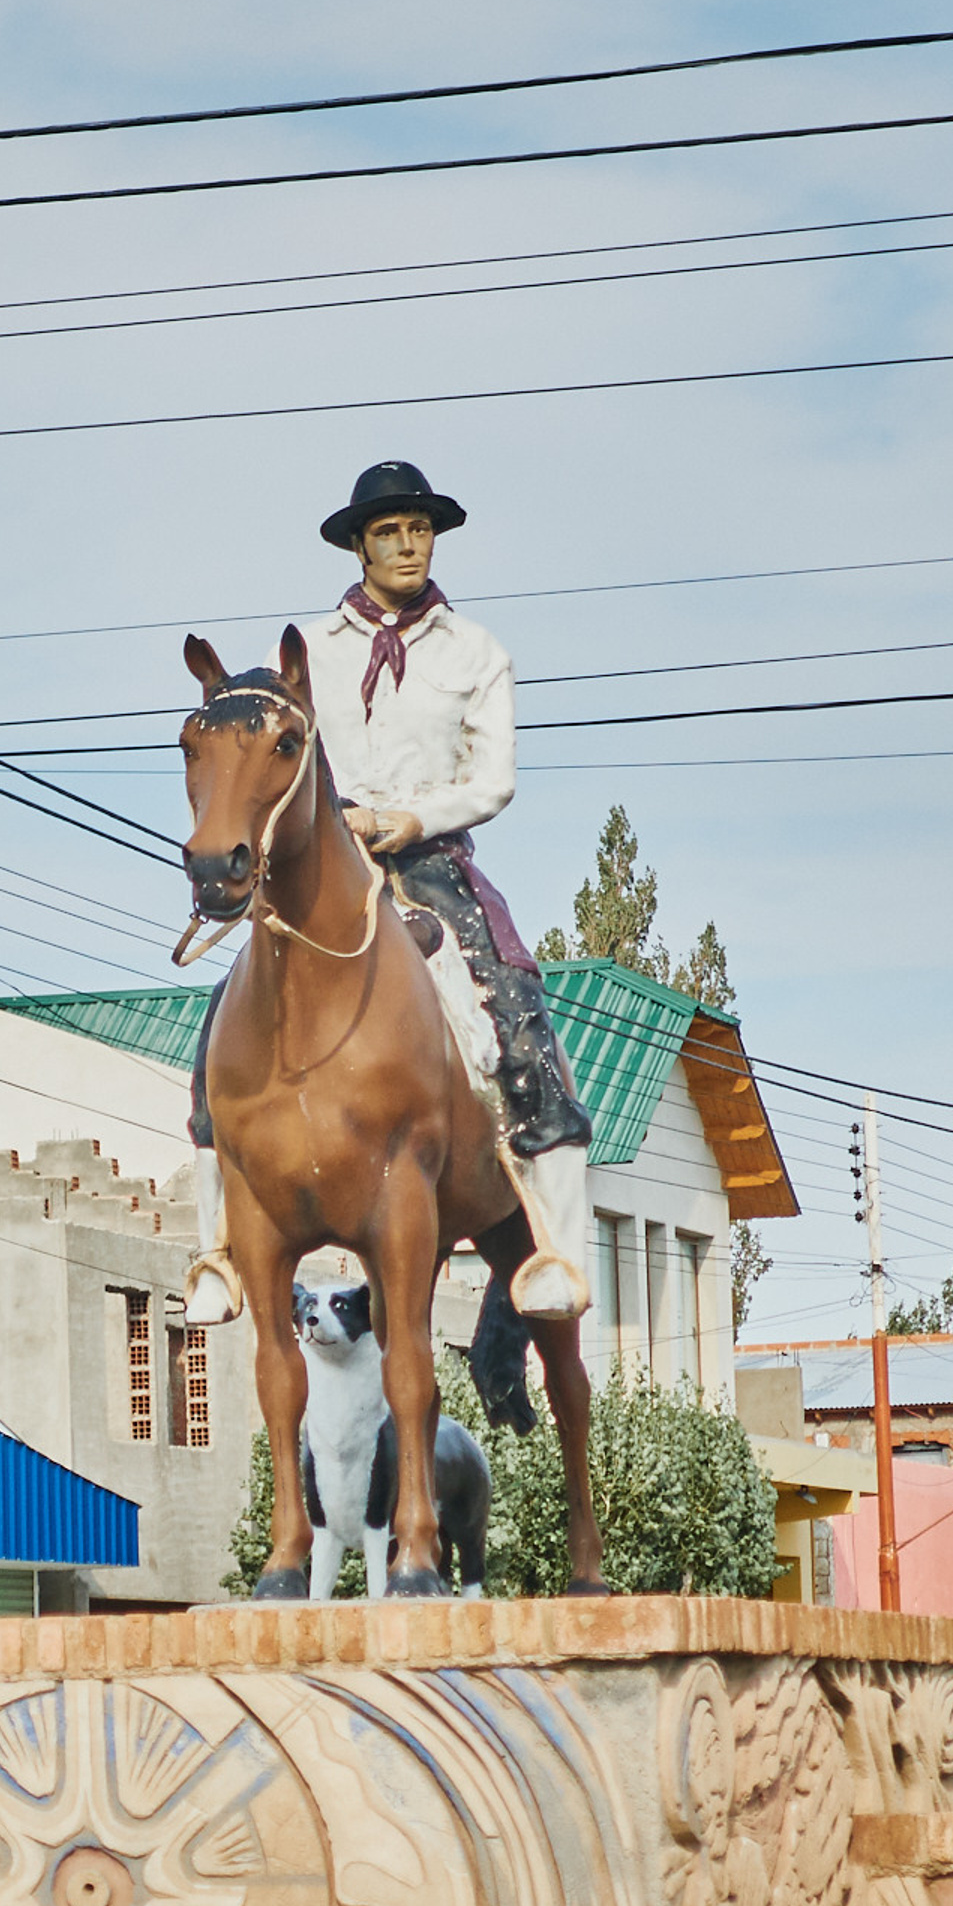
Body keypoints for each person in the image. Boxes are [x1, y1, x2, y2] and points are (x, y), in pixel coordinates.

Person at [184, 459, 594, 1324]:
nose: (407, 545)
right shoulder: (300, 651)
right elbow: (262, 751)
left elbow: (494, 780)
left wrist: (409, 818)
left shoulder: (477, 652)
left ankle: (556, 1249)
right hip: (316, 862)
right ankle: (216, 1249)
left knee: (507, 1006)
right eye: (389, 532)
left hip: (427, 858)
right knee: (224, 1017)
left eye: (419, 530)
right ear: (361, 546)